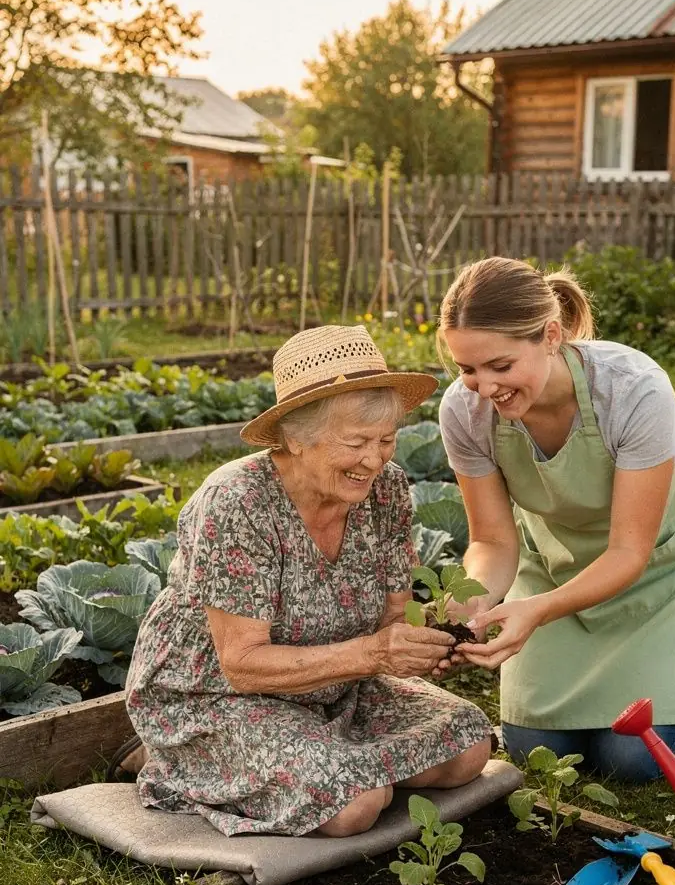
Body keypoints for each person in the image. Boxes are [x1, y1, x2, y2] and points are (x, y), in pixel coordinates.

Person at [124, 325, 493, 837]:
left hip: (336, 683)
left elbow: (392, 614)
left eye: (386, 439)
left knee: (468, 745)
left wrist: (429, 639)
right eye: (356, 442)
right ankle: (182, 757)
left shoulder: (384, 488)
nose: (375, 459)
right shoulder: (236, 504)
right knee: (354, 804)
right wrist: (378, 655)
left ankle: (300, 758)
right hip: (218, 695)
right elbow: (242, 666)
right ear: (295, 439)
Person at [436, 256, 675, 782]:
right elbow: (493, 542)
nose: (484, 387)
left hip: (659, 562)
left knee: (631, 761)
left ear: (550, 335)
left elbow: (628, 552)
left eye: (500, 366)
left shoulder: (632, 389)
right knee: (535, 749)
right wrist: (468, 608)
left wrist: (537, 612)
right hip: (558, 563)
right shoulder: (465, 412)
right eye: (467, 369)